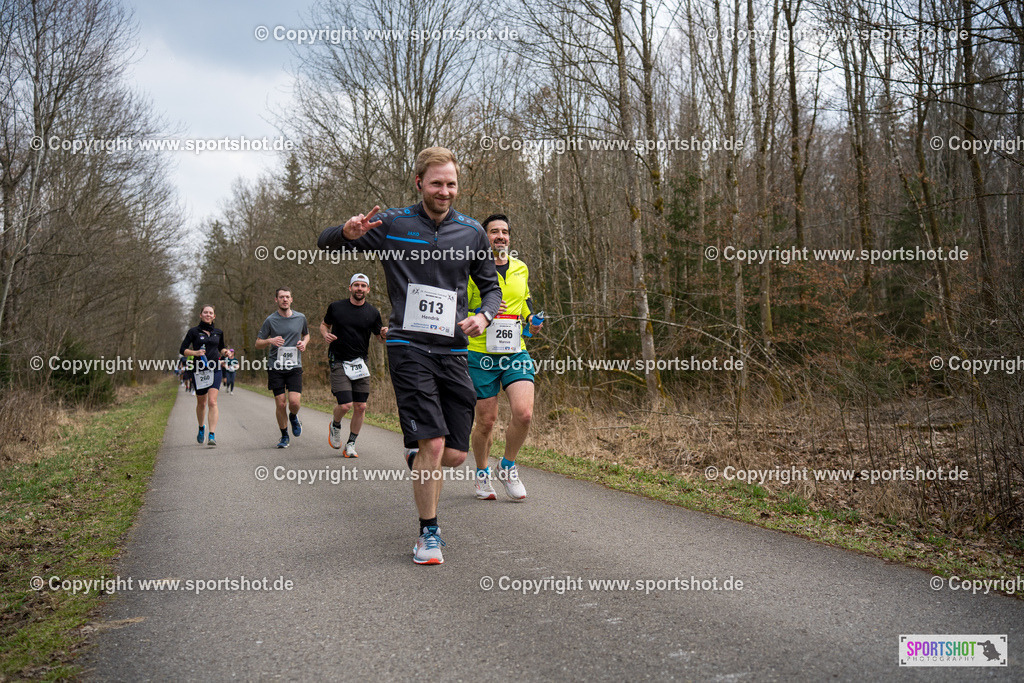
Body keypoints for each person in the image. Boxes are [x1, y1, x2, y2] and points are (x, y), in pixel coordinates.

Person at [318, 146, 501, 565]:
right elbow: (326, 242)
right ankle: (428, 535)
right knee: (434, 444)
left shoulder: (471, 232)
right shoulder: (394, 224)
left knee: (453, 454)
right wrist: (345, 233)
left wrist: (486, 316)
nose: (445, 191)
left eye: (451, 183)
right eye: (436, 183)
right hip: (408, 347)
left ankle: (418, 455)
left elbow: (489, 287)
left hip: (454, 350)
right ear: (419, 182)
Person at [467, 214, 542, 500]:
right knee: (486, 421)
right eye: (494, 232)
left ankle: (507, 465)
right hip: (480, 352)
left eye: (505, 232)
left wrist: (532, 318)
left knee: (524, 413)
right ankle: (482, 473)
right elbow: (461, 305)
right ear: (484, 237)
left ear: (510, 237)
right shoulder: (471, 269)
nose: (500, 236)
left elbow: (525, 301)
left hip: (515, 350)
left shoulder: (521, 268)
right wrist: (476, 318)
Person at [320, 273, 387, 457]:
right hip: (339, 360)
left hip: (360, 362)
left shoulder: (373, 312)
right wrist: (325, 334)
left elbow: (380, 340)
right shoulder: (336, 307)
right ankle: (335, 425)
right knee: (345, 405)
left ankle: (351, 443)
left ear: (368, 289)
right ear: (350, 288)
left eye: (363, 285)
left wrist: (384, 334)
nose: (359, 288)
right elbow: (324, 325)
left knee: (361, 406)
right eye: (356, 285)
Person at [255, 288, 310, 449]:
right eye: (281, 297)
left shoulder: (301, 318)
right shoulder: (270, 320)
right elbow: (258, 343)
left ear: (291, 299)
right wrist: (270, 340)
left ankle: (293, 416)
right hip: (276, 367)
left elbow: (306, 334)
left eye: (287, 297)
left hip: (294, 366)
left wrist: (304, 343)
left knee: (294, 402)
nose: (284, 299)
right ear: (276, 300)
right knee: (280, 403)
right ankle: (284, 435)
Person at [179, 305, 226, 446]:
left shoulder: (218, 332)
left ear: (214, 316)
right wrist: (195, 353)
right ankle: (201, 427)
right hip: (199, 370)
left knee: (212, 401)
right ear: (200, 315)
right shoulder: (193, 332)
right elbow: (183, 350)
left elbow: (221, 347)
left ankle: (211, 435)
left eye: (211, 312)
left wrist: (226, 352)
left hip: (215, 368)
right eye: (205, 312)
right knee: (202, 403)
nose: (208, 314)